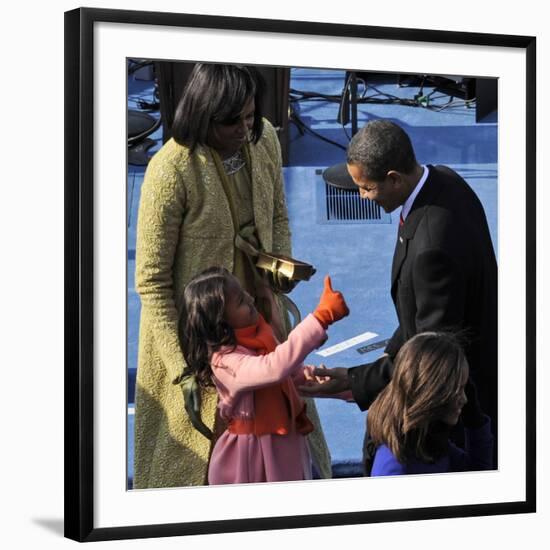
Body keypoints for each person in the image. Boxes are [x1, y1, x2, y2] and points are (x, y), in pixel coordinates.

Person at [134, 63, 332, 489]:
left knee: (283, 436)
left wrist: (276, 274)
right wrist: (184, 370)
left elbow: (277, 214)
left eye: (249, 115)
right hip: (198, 340)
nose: (246, 128)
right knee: (196, 468)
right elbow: (151, 281)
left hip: (259, 317)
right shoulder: (170, 170)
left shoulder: (263, 140)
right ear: (205, 117)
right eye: (233, 122)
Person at [300, 119, 498, 470]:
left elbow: (429, 355)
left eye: (367, 188)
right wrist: (361, 375)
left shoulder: (432, 250)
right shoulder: (444, 181)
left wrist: (354, 381)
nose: (361, 196)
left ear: (394, 178)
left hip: (453, 412)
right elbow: (415, 322)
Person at [180, 267, 349, 484]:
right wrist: (321, 318)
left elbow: (286, 377)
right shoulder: (225, 363)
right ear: (221, 324)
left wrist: (333, 383)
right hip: (251, 459)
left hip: (285, 444)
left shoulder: (257, 336)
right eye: (241, 301)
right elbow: (273, 368)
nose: (250, 299)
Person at [367, 332, 493, 476]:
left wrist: (475, 420)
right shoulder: (395, 468)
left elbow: (477, 476)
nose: (464, 399)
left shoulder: (426, 439)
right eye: (456, 390)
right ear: (431, 392)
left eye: (465, 388)